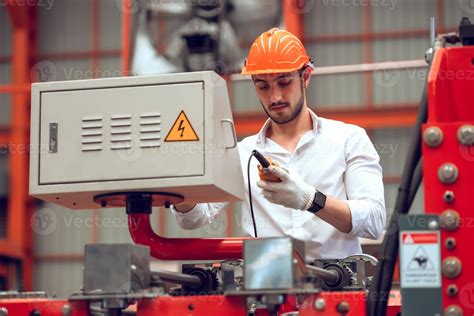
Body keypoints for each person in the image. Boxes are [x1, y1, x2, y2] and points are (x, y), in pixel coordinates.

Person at [172, 27, 386, 260]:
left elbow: (373, 221)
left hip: (336, 285)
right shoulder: (242, 154)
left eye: (284, 83)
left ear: (305, 77)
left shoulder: (348, 140)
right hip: (265, 287)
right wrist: (184, 177)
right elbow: (193, 219)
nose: (274, 97)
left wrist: (310, 199)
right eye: (263, 86)